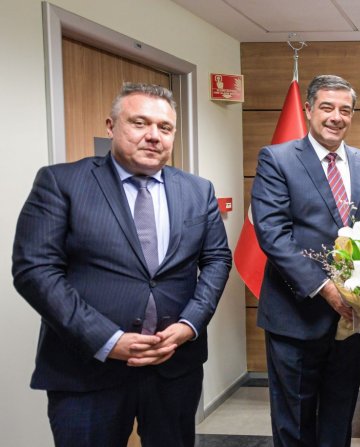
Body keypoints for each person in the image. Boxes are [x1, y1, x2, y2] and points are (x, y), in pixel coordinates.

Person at [12, 83, 232, 447]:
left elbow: (217, 259)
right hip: (87, 369)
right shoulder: (62, 182)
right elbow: (35, 270)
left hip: (174, 366)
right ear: (111, 126)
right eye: (139, 123)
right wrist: (107, 340)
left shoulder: (198, 190)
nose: (154, 136)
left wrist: (190, 324)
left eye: (165, 127)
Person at [251, 74, 360, 446]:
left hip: (352, 320)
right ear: (308, 110)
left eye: (345, 110)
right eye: (327, 107)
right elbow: (273, 234)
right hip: (295, 316)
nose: (336, 117)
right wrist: (325, 288)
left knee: (339, 418)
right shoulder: (277, 159)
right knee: (294, 422)